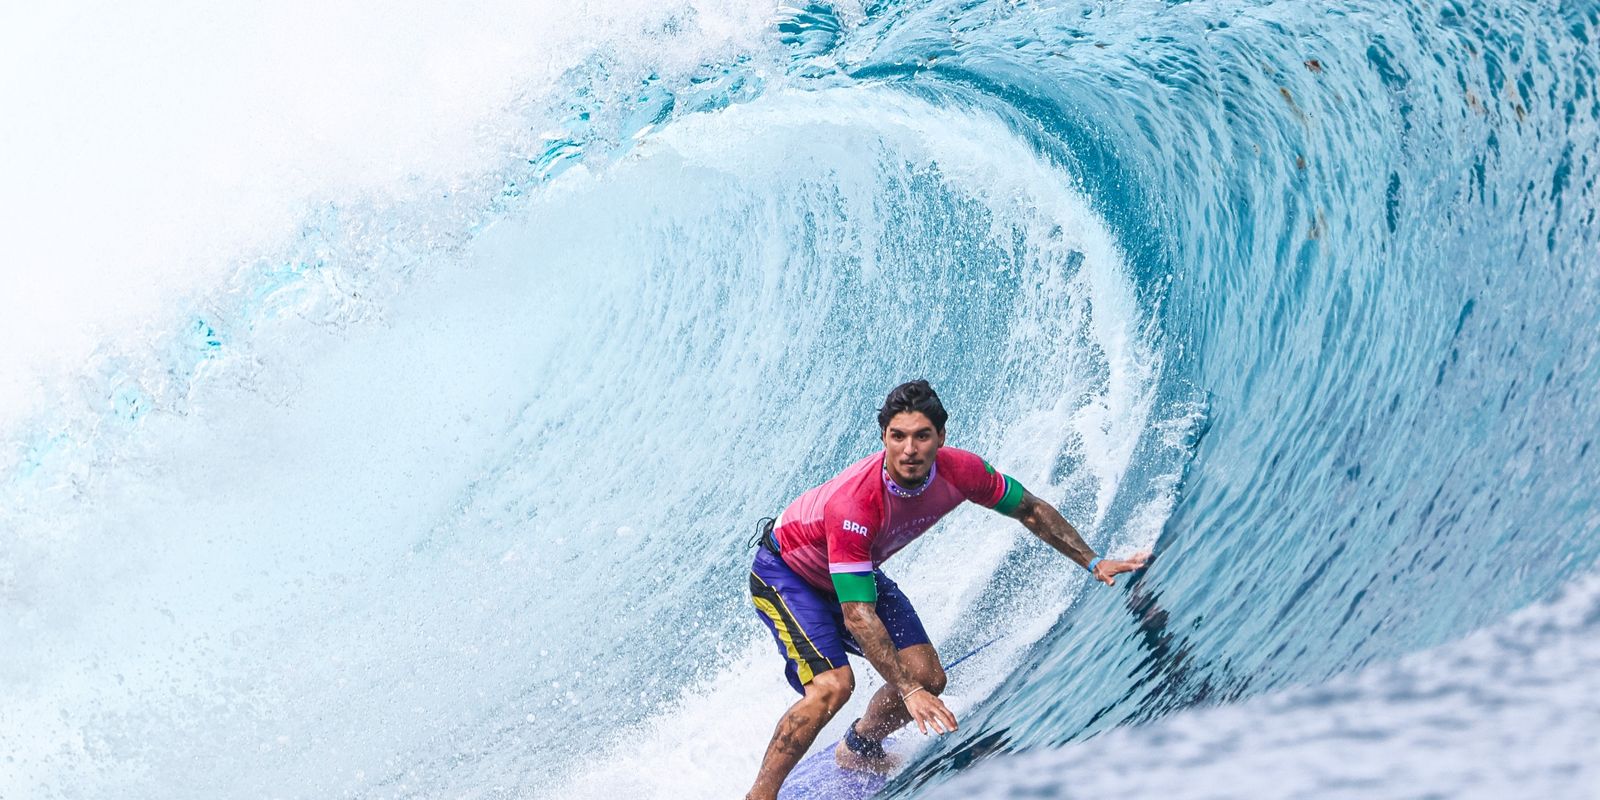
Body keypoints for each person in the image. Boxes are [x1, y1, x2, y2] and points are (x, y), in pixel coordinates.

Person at [744, 380, 1149, 799]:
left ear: (941, 436)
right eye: (897, 436)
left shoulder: (961, 471)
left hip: (854, 573)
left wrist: (1094, 560)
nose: (909, 449)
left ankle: (860, 746)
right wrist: (909, 692)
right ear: (883, 437)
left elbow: (1029, 509)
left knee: (927, 676)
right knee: (833, 686)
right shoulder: (856, 504)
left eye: (922, 436)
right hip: (788, 575)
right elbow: (857, 615)